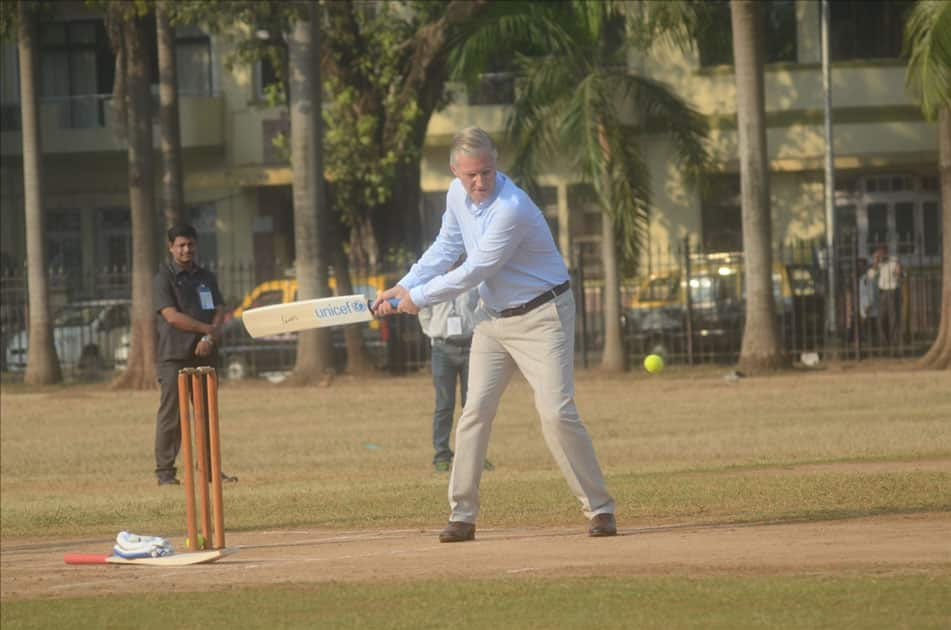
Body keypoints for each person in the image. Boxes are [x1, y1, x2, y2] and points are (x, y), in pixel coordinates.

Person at [373, 127, 616, 542]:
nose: (479, 182)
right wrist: (405, 284)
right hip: (493, 320)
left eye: (486, 172)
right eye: (470, 175)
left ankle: (600, 508)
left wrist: (420, 298)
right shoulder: (455, 195)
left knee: (556, 413)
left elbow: (475, 271)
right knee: (474, 413)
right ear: (455, 171)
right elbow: (446, 247)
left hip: (543, 316)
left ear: (495, 163)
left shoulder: (512, 207)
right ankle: (462, 515)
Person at [153, 223, 236, 486]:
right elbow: (172, 316)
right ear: (171, 247)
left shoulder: (205, 277)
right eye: (181, 245)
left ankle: (211, 470)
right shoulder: (163, 278)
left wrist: (210, 337)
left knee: (206, 414)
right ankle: (165, 473)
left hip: (204, 354)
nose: (186, 249)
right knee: (172, 416)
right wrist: (206, 330)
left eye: (191, 244)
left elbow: (219, 307)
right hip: (174, 356)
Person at [417, 283, 481, 472]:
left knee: (473, 405)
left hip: (471, 346)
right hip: (442, 348)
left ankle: (474, 455)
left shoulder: (473, 278)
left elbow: (482, 305)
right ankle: (442, 454)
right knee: (444, 404)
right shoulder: (433, 281)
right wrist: (433, 332)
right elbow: (423, 309)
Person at [868, 245, 902, 349]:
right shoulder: (878, 264)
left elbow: (901, 274)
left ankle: (894, 344)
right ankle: (884, 343)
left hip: (893, 291)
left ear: (886, 252)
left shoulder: (894, 261)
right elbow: (870, 276)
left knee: (893, 318)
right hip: (882, 293)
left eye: (882, 253)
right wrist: (875, 262)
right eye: (879, 253)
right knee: (881, 319)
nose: (881, 255)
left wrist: (899, 272)